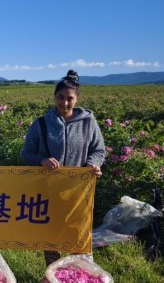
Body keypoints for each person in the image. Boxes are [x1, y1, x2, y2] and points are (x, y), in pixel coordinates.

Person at [21, 70, 106, 264]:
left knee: (79, 237)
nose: (64, 103)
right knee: (51, 238)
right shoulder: (40, 124)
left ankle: (82, 281)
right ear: (54, 96)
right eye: (60, 97)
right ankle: (53, 282)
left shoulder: (88, 123)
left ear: (77, 99)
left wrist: (94, 163)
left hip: (78, 192)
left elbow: (99, 150)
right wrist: (41, 160)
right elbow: (26, 154)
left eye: (70, 98)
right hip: (48, 191)